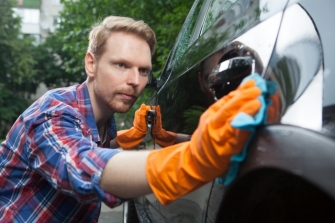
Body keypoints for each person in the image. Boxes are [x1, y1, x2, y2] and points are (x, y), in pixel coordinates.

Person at [0, 16, 270, 222]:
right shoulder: (52, 112)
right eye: (121, 65)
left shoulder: (102, 118)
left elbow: (88, 147)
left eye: (144, 71)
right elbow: (80, 166)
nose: (135, 81)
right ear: (91, 64)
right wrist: (197, 157)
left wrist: (129, 141)